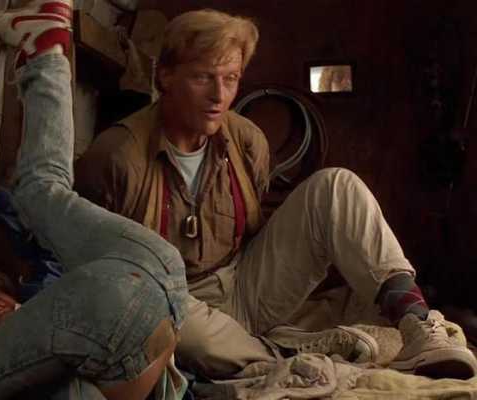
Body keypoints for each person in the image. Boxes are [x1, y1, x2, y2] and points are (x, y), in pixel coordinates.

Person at [73, 8, 477, 380]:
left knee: (335, 185)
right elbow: (100, 277)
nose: (219, 96)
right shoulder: (116, 157)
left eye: (230, 79)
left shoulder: (247, 141)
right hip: (178, 302)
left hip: (243, 284)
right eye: (202, 77)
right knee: (182, 331)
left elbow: (256, 232)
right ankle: (288, 353)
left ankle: (417, 324)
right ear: (165, 76)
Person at [0, 1, 190, 399]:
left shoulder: (48, 302)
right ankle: (46, 52)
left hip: (134, 286)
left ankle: (45, 48)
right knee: (42, 190)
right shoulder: (52, 335)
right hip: (162, 274)